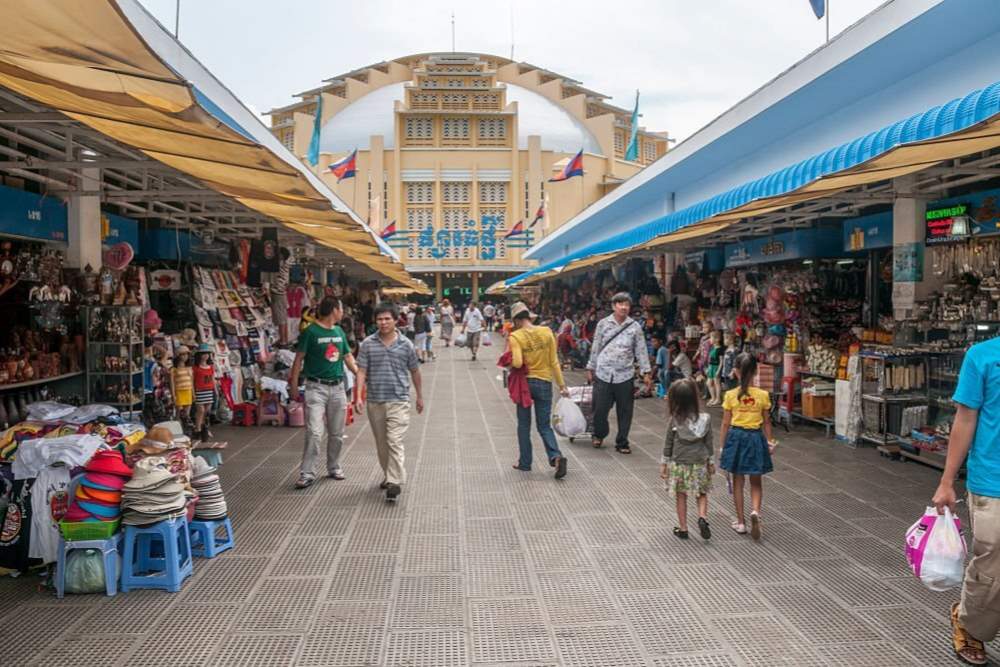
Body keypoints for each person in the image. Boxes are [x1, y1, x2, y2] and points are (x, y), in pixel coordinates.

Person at [932, 336, 1000, 666]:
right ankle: (969, 622)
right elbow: (966, 417)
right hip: (993, 479)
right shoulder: (983, 356)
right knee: (994, 563)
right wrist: (947, 481)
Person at [354, 303, 424, 502]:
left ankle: (394, 482)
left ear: (395, 320)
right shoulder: (368, 343)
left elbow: (415, 371)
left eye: (387, 319)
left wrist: (419, 396)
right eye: (379, 319)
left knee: (394, 440)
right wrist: (358, 396)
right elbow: (361, 371)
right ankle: (389, 476)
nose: (383, 322)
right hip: (375, 400)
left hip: (399, 399)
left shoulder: (406, 344)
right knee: (382, 444)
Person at [289, 296, 359, 489]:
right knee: (314, 431)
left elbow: (347, 357)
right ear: (334, 310)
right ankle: (307, 473)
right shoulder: (310, 332)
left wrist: (360, 374)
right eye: (341, 309)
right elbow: (298, 360)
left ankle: (334, 467)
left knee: (337, 433)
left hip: (338, 388)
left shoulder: (339, 331)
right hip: (315, 388)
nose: (343, 312)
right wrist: (294, 385)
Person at [507, 301, 569, 479]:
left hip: (525, 385)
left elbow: (518, 362)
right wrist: (562, 386)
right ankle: (556, 457)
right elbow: (554, 362)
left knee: (524, 425)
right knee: (544, 425)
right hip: (544, 383)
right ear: (528, 317)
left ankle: (525, 463)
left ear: (517, 321)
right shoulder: (547, 331)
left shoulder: (516, 336)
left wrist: (508, 363)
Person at [718, 353, 776, 540]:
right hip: (756, 438)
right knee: (756, 481)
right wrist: (769, 441)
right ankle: (756, 512)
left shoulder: (730, 395)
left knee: (738, 481)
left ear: (735, 372)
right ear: (755, 372)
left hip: (736, 437)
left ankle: (741, 522)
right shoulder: (763, 395)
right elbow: (767, 422)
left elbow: (725, 423)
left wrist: (722, 446)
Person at [586, 292, 652, 454]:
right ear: (613, 306)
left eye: (626, 304)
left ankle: (622, 441)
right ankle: (599, 434)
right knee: (600, 408)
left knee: (625, 410)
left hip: (625, 375)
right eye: (620, 304)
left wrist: (646, 372)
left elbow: (641, 350)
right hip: (603, 373)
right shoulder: (603, 324)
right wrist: (590, 367)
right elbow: (596, 346)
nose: (623, 307)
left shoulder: (635, 327)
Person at [661, 378, 714, 540]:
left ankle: (683, 528)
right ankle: (702, 517)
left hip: (679, 464)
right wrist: (711, 462)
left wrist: (664, 464)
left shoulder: (675, 420)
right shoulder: (705, 419)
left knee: (681, 496)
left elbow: (668, 443)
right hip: (699, 463)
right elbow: (709, 442)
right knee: (702, 493)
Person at [192, 343, 217, 442]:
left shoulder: (211, 367)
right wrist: (193, 392)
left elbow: (213, 379)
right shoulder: (195, 367)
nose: (205, 355)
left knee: (207, 412)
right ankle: (197, 429)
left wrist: (215, 390)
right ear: (199, 355)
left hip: (209, 390)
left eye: (207, 353)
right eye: (203, 353)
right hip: (199, 390)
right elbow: (192, 380)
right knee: (200, 410)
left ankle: (204, 428)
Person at [270, 247, 291, 347]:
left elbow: (271, 276)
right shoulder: (285, 265)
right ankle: (284, 339)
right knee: (283, 318)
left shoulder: (279, 265)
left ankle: (283, 341)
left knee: (281, 318)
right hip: (282, 293)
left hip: (278, 293)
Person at [171, 345, 193, 429]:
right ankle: (178, 430)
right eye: (182, 354)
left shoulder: (189, 368)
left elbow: (191, 382)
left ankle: (186, 430)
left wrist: (193, 393)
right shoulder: (174, 369)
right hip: (179, 392)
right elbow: (172, 383)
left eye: (186, 354)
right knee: (178, 413)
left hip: (188, 391)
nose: (185, 357)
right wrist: (173, 395)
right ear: (178, 356)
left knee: (187, 414)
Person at [706, 330, 724, 407]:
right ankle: (713, 398)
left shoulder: (720, 349)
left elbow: (721, 362)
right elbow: (710, 360)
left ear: (717, 339)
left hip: (716, 367)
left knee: (717, 383)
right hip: (711, 367)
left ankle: (718, 399)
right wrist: (708, 368)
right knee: (709, 383)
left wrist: (718, 370)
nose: (710, 339)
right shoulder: (712, 348)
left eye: (711, 337)